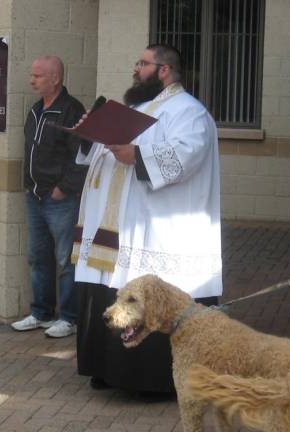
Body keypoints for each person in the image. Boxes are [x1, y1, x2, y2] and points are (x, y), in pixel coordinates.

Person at [72, 44, 222, 393]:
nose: (136, 69)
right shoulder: (135, 109)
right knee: (110, 294)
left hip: (159, 229)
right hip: (115, 229)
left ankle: (150, 381)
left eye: (143, 63)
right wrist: (88, 135)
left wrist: (137, 155)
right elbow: (96, 154)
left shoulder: (188, 112)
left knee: (150, 299)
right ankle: (107, 369)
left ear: (164, 70)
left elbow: (187, 155)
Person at [11, 55, 88, 338]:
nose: (31, 80)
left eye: (38, 76)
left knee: (65, 258)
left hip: (60, 199)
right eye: (32, 75)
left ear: (55, 79)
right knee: (37, 256)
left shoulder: (71, 110)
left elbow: (81, 156)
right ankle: (41, 313)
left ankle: (69, 318)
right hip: (34, 196)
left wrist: (63, 188)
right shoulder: (35, 109)